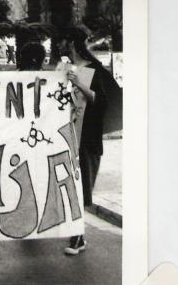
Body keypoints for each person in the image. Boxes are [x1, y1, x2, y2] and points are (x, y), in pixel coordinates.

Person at [60, 25, 111, 256]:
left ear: (72, 44)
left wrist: (78, 82)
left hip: (87, 138)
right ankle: (76, 234)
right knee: (71, 186)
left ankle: (78, 238)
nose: (62, 46)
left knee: (80, 188)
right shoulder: (67, 69)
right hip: (69, 136)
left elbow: (99, 101)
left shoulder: (93, 70)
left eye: (65, 42)